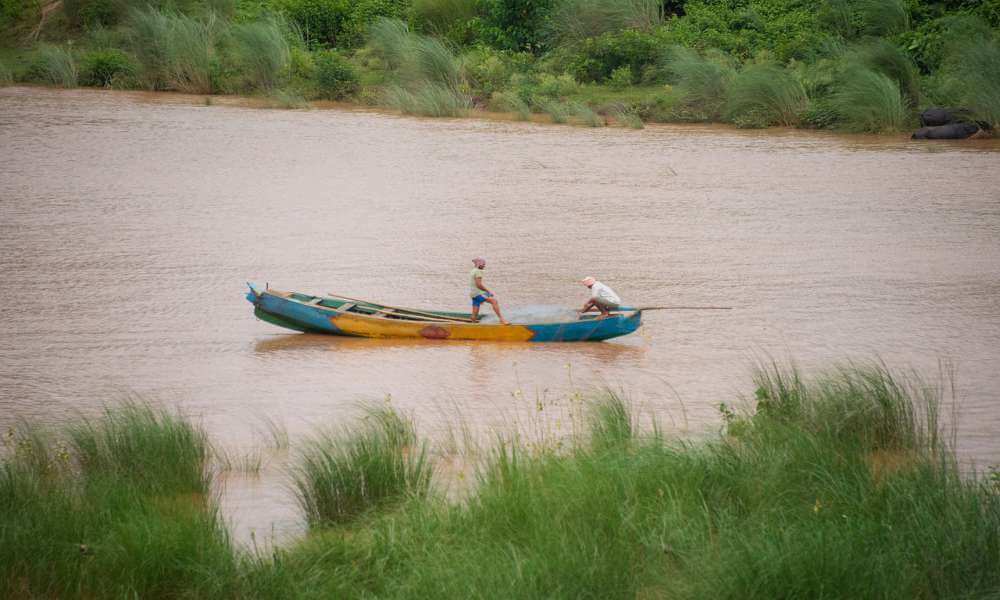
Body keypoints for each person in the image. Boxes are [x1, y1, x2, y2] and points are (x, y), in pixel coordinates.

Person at [469, 257, 510, 324]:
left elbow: (475, 284)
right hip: (478, 293)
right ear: (479, 264)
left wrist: (486, 294)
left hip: (473, 294)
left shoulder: (473, 270)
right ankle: (501, 320)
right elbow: (478, 285)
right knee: (494, 301)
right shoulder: (478, 272)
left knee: (475, 314)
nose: (484, 266)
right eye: (483, 264)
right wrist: (488, 291)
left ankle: (473, 324)